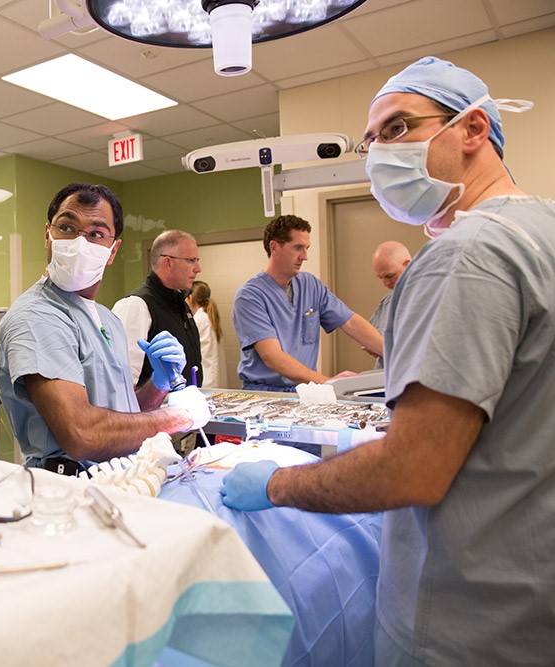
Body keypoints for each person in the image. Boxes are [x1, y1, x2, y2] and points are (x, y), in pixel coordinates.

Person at [220, 56, 554, 665]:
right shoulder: (543, 231)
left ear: (474, 130)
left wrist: (277, 483)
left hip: (466, 624)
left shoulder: (465, 254)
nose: (377, 153)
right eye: (371, 140)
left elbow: (412, 470)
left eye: (396, 129)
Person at [0, 183, 211, 475]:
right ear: (48, 236)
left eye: (96, 234)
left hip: (119, 477)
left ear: (113, 250)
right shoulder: (37, 317)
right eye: (68, 228)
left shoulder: (106, 319)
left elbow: (122, 414)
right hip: (68, 489)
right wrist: (178, 417)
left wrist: (157, 386)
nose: (79, 243)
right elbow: (82, 433)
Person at [231, 215, 383, 392]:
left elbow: (351, 322)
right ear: (274, 247)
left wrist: (397, 358)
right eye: (298, 248)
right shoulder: (250, 296)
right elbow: (272, 357)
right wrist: (329, 383)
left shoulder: (310, 286)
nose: (304, 256)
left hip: (306, 390)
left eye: (306, 248)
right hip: (267, 394)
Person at [113, 230, 203, 389]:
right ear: (168, 262)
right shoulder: (136, 306)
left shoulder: (180, 304)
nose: (198, 268)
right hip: (151, 411)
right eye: (191, 260)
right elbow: (121, 385)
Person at [367, 241, 412, 369]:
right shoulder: (387, 302)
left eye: (390, 276)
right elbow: (371, 339)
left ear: (408, 265)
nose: (386, 284)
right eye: (380, 278)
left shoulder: (432, 297)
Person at [187, 280, 228, 388]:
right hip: (212, 378)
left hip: (207, 381)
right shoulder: (209, 317)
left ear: (190, 298)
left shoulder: (198, 320)